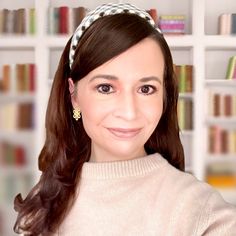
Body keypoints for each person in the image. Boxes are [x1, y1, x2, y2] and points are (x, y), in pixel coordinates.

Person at [14, 3, 236, 236]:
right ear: (74, 95)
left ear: (164, 96)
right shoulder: (42, 203)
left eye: (146, 89)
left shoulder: (204, 213)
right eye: (106, 88)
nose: (129, 112)